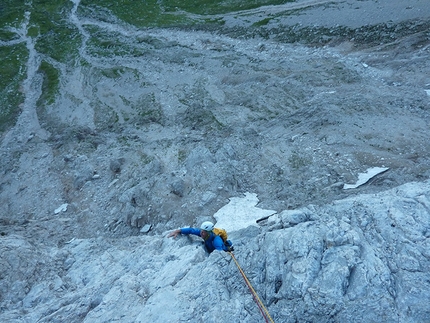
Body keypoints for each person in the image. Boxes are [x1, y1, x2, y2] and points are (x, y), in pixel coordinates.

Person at [168, 221, 233, 253]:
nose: (201, 233)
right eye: (201, 231)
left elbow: (220, 253)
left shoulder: (216, 241)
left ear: (209, 232)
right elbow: (191, 230)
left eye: (203, 232)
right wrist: (178, 231)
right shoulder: (204, 233)